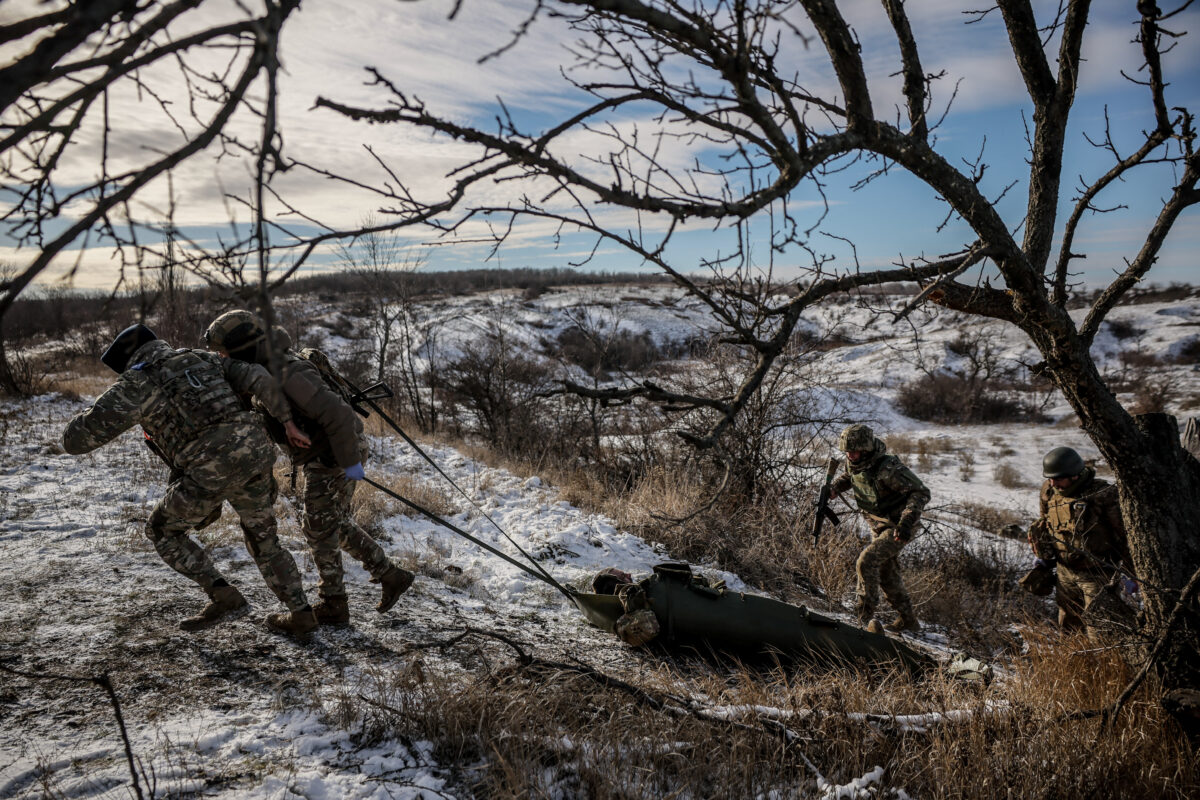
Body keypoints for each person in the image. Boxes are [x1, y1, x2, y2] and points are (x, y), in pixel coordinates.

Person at [62, 323, 319, 637]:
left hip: (207, 470)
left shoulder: (135, 384)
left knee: (162, 530)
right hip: (254, 455)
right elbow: (258, 377)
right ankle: (301, 613)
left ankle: (224, 596)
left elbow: (74, 441)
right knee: (265, 540)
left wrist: (97, 407)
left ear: (127, 362)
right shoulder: (203, 358)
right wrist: (286, 421)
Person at [203, 310, 414, 626]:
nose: (221, 356)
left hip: (333, 454)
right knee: (331, 523)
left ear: (240, 344)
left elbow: (340, 416)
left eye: (223, 350)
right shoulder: (265, 368)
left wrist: (347, 464)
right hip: (328, 453)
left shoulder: (288, 372)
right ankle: (389, 575)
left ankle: (334, 604)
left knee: (318, 528)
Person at [829, 423, 930, 632]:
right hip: (878, 525)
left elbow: (920, 492)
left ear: (866, 449)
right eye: (847, 451)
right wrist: (835, 488)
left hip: (898, 526)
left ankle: (862, 617)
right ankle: (908, 621)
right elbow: (850, 476)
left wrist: (906, 522)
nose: (850, 455)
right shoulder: (856, 461)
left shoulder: (888, 468)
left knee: (866, 561)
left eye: (854, 451)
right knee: (886, 572)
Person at [1027, 446, 1136, 639]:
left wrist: (1130, 573)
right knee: (1068, 628)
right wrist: (1044, 558)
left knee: (1100, 631)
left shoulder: (1104, 495)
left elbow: (1127, 535)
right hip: (1064, 571)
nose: (1053, 483)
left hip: (1098, 575)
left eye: (1058, 478)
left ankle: (1105, 666)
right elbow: (1046, 522)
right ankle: (1077, 664)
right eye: (1050, 478)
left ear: (1075, 475)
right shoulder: (1049, 490)